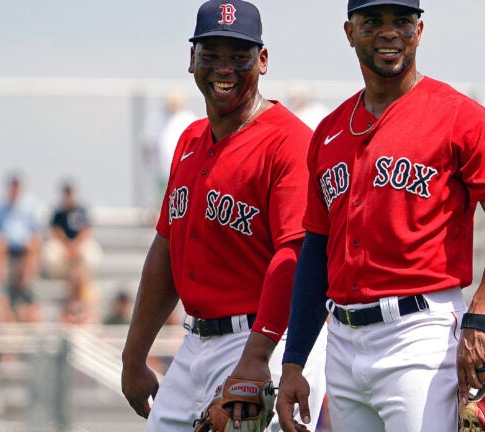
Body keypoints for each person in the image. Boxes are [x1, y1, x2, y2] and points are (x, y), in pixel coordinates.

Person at [276, 1, 485, 431]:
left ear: (419, 30)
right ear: (349, 31)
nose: (388, 33)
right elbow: (315, 251)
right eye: (373, 22)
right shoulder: (328, 131)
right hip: (342, 341)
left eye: (401, 21)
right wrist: (294, 362)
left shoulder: (460, 117)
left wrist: (479, 319)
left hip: (421, 336)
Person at [121, 1, 327, 431]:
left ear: (263, 60)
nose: (224, 68)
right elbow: (166, 248)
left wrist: (256, 358)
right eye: (212, 54)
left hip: (262, 338)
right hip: (195, 342)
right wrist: (134, 353)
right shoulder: (190, 140)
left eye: (239, 55)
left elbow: (296, 258)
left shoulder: (288, 143)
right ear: (192, 58)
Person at [43, 180, 103, 324]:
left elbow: (86, 230)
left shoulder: (81, 210)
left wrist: (75, 246)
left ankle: (76, 271)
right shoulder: (58, 213)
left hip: (78, 247)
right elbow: (55, 231)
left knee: (90, 252)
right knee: (50, 252)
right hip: (64, 247)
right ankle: (68, 271)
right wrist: (68, 246)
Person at [0, 173, 42, 324]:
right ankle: (0, 280)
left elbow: (36, 232)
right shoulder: (0, 206)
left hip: (24, 248)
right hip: (6, 248)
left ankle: (25, 281)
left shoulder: (30, 206)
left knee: (33, 245)